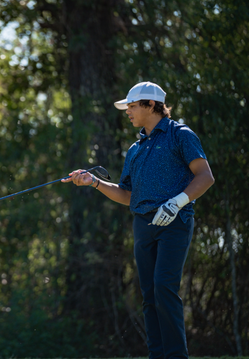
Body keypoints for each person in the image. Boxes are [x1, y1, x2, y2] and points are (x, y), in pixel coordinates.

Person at [63, 82, 214, 358]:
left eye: (132, 106)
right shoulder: (135, 149)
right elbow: (127, 195)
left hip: (175, 222)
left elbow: (205, 176)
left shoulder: (180, 135)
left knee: (164, 289)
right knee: (149, 296)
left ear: (150, 105)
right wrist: (94, 182)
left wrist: (176, 203)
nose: (128, 112)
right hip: (143, 225)